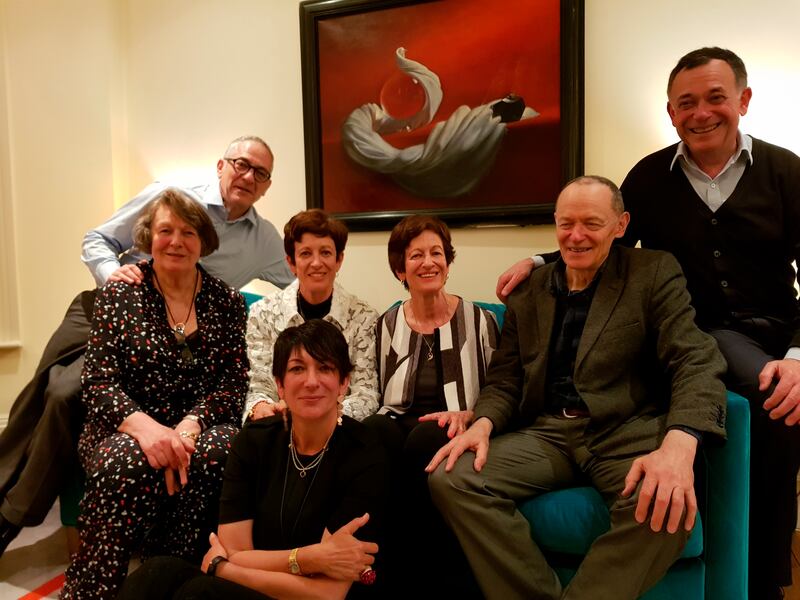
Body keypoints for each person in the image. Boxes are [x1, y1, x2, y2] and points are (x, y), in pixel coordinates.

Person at [495, 48, 800, 598]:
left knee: (781, 404)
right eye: (686, 103)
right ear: (670, 112)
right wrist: (541, 262)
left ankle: (766, 578)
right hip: (695, 331)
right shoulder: (649, 177)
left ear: (744, 101)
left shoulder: (786, 172)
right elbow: (598, 236)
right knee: (749, 394)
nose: (701, 112)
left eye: (715, 98)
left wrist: (799, 357)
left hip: (776, 330)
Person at [429, 176, 727, 600]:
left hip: (624, 431)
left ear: (620, 225)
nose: (576, 235)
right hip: (547, 433)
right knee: (451, 477)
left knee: (668, 507)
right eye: (566, 223)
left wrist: (681, 443)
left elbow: (695, 359)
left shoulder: (653, 272)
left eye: (592, 223)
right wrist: (483, 422)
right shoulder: (529, 290)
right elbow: (506, 378)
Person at [0, 135, 293, 556]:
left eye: (260, 173)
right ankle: (11, 513)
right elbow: (97, 240)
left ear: (266, 186)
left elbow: (301, 282)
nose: (248, 176)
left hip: (174, 335)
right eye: (241, 164)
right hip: (117, 310)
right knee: (57, 392)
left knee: (67, 392)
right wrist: (111, 275)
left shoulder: (264, 239)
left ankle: (13, 512)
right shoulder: (169, 195)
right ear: (220, 165)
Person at [60, 189, 250, 598]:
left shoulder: (228, 302)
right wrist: (148, 430)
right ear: (148, 237)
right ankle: (91, 590)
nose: (176, 241)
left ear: (204, 241)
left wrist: (189, 425)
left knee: (221, 452)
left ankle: (171, 581)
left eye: (188, 232)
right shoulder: (120, 293)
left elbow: (233, 384)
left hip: (196, 426)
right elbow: (98, 382)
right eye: (166, 230)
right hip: (126, 427)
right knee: (126, 461)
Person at [117, 319, 387, 600]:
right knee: (158, 572)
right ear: (279, 385)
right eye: (297, 369)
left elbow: (327, 592)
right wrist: (309, 558)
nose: (311, 381)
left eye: (325, 368)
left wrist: (223, 569)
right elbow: (236, 551)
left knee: (201, 591)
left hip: (311, 597)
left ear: (344, 382)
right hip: (261, 585)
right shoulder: (255, 440)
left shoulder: (364, 452)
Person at [364, 215, 499, 598]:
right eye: (416, 255)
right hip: (396, 423)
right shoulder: (387, 323)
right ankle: (381, 565)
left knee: (426, 437)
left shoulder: (480, 320)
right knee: (374, 432)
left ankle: (416, 575)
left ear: (448, 261)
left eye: (436, 253)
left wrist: (471, 415)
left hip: (457, 425)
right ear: (400, 269)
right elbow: (375, 392)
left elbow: (502, 390)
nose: (428, 262)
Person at [244, 209, 379, 424]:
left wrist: (319, 413)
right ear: (291, 262)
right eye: (306, 253)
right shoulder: (263, 314)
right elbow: (260, 387)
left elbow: (366, 394)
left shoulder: (364, 317)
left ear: (339, 259)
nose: (316, 263)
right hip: (281, 424)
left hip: (340, 426)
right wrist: (262, 407)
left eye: (325, 252)